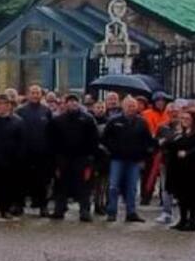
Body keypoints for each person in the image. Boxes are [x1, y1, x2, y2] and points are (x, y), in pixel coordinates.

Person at [102, 96, 154, 222]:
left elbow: (147, 141)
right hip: (117, 159)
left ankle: (131, 212)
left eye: (133, 106)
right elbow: (105, 139)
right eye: (129, 106)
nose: (131, 108)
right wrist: (113, 150)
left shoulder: (142, 122)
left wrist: (143, 156)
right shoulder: (114, 121)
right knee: (113, 186)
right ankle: (112, 211)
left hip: (134, 160)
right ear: (123, 106)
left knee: (132, 187)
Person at [50, 94, 98, 222]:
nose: (73, 103)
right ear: (65, 104)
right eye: (70, 101)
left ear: (79, 103)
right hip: (63, 158)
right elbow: (52, 141)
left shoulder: (88, 119)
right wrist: (55, 160)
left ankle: (85, 211)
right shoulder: (57, 120)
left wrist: (90, 158)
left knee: (84, 186)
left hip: (82, 158)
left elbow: (94, 140)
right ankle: (59, 210)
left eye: (75, 101)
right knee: (61, 185)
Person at [165, 109, 195, 231]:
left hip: (194, 170)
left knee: (192, 197)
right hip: (180, 170)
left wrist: (188, 153)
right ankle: (182, 220)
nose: (184, 121)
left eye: (187, 119)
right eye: (182, 118)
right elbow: (172, 146)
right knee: (181, 196)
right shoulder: (181, 133)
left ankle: (192, 222)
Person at [15, 85, 54, 216]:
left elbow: (51, 131)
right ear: (28, 94)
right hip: (24, 152)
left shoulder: (46, 111)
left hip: (42, 153)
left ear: (41, 95)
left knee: (42, 181)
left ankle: (43, 206)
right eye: (32, 93)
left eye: (37, 93)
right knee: (21, 180)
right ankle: (19, 205)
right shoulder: (20, 110)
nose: (35, 95)